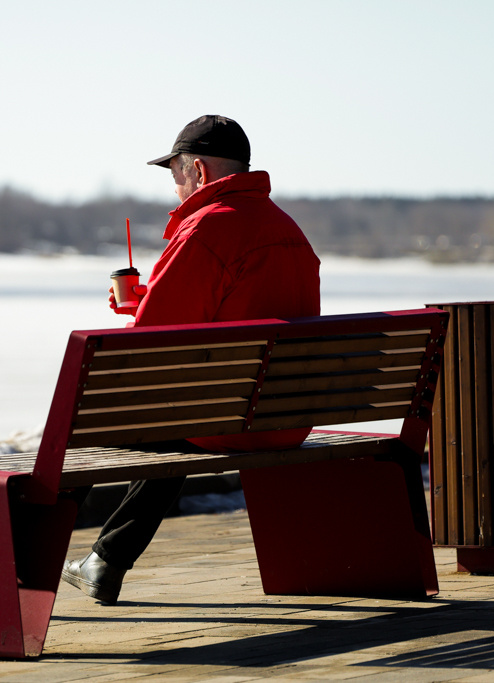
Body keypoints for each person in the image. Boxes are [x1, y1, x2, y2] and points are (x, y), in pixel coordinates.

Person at [61, 114, 321, 604]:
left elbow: (149, 343)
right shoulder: (288, 229)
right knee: (182, 412)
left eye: (176, 173)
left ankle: (27, 560)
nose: (175, 185)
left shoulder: (207, 230)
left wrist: (138, 309)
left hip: (228, 418)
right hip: (286, 415)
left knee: (84, 427)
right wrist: (147, 302)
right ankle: (105, 559)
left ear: (199, 172)